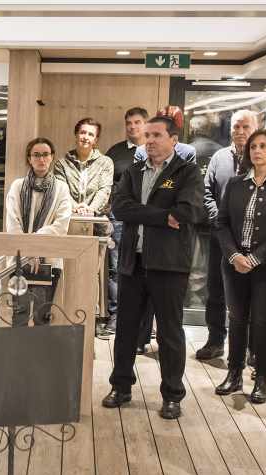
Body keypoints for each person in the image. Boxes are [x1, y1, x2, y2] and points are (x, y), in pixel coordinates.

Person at [102, 115, 204, 419]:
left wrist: (141, 213)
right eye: (147, 135)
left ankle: (172, 395)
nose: (150, 141)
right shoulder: (133, 172)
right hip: (133, 263)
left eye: (156, 135)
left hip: (169, 265)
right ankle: (121, 387)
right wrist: (161, 216)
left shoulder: (187, 173)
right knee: (126, 330)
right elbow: (119, 207)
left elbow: (187, 211)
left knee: (170, 334)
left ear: (174, 139)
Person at [213, 129, 266, 404]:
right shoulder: (235, 184)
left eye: (263, 146)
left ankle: (261, 377)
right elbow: (221, 223)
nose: (257, 151)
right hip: (234, 263)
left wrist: (255, 258)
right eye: (253, 147)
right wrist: (234, 255)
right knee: (237, 319)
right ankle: (234, 373)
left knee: (263, 322)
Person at [198, 109, 259, 363]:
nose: (240, 132)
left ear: (256, 128)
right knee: (215, 290)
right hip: (220, 236)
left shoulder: (263, 157)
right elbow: (207, 191)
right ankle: (215, 341)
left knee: (252, 295)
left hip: (254, 239)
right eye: (235, 127)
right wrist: (217, 218)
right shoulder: (219, 157)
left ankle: (251, 348)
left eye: (245, 127)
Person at [5, 137, 73, 326]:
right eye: (36, 155)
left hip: (49, 261)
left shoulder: (61, 188)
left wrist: (35, 246)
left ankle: (40, 355)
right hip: (19, 260)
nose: (41, 159)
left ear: (51, 158)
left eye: (45, 154)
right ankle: (17, 355)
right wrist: (28, 250)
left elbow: (61, 225)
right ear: (29, 158)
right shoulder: (17, 186)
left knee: (42, 316)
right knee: (19, 315)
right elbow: (13, 224)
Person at [104, 107, 149, 333]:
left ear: (146, 124)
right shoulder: (115, 151)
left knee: (146, 268)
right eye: (129, 122)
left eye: (137, 122)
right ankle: (116, 316)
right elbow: (106, 184)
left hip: (149, 219)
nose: (132, 126)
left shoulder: (155, 150)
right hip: (120, 219)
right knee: (117, 267)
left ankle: (144, 322)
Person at [54, 117, 115, 216]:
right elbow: (61, 191)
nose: (86, 137)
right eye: (83, 132)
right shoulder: (61, 164)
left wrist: (90, 209)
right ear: (76, 135)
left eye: (91, 134)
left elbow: (104, 191)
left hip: (97, 222)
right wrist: (75, 207)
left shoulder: (106, 163)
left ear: (95, 140)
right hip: (68, 219)